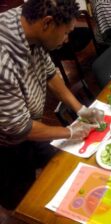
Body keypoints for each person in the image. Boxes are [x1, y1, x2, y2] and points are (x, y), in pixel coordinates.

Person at [0, 0, 103, 210]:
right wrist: (69, 131)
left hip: (31, 124)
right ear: (47, 23)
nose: (67, 40)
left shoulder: (28, 22)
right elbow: (20, 128)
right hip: (7, 142)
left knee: (60, 164)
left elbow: (48, 73)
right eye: (66, 33)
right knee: (22, 200)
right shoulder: (3, 62)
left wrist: (79, 109)